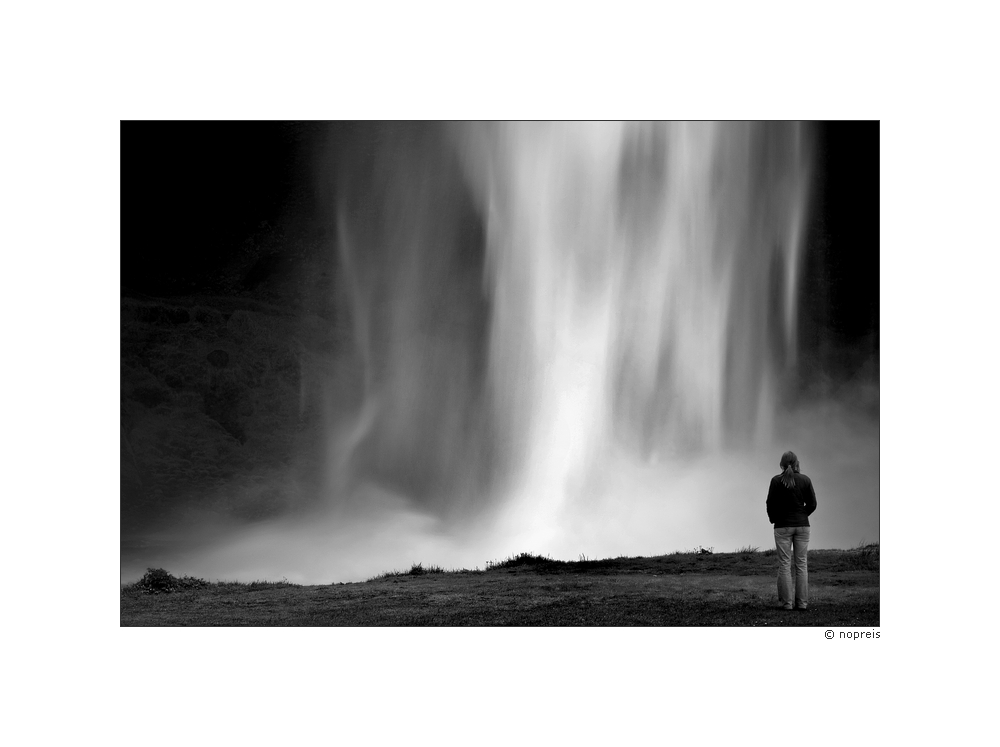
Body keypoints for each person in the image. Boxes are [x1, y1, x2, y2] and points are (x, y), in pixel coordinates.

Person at [766, 450, 817, 610]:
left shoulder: (776, 481)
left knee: (785, 564)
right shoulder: (805, 480)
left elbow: (770, 503)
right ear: (797, 464)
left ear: (781, 464)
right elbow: (813, 504)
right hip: (802, 526)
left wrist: (774, 518)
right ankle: (802, 603)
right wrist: (802, 515)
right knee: (801, 564)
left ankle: (786, 603)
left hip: (782, 526)